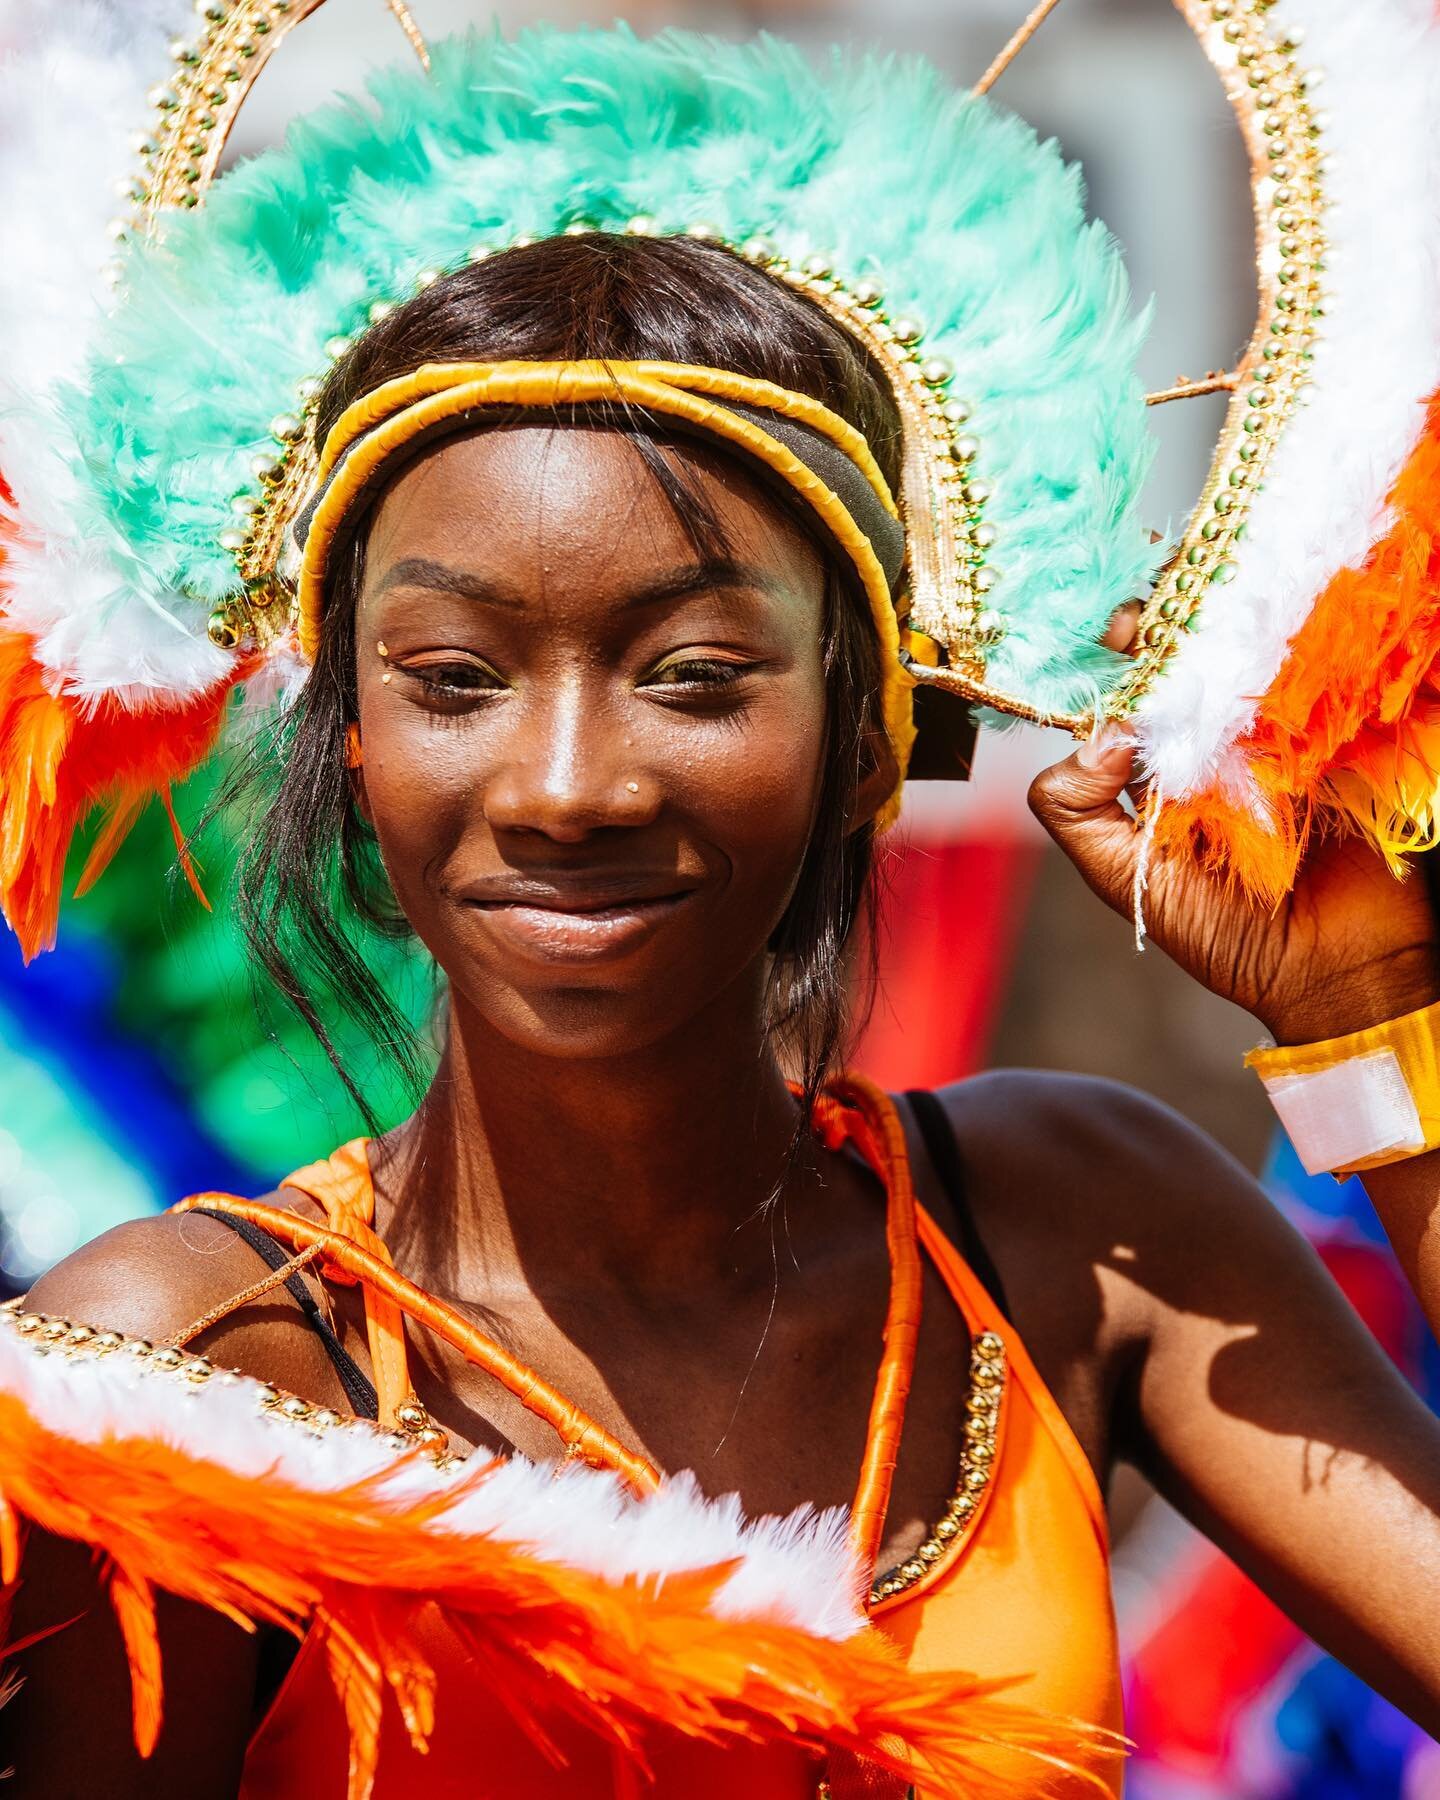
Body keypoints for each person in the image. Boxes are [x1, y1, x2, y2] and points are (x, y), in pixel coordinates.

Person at [1, 13, 1438, 1800]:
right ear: (354, 741)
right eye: (453, 676)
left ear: (869, 739)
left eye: (691, 676)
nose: (566, 785)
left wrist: (1369, 1020)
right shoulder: (189, 1373)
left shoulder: (1076, 1235)